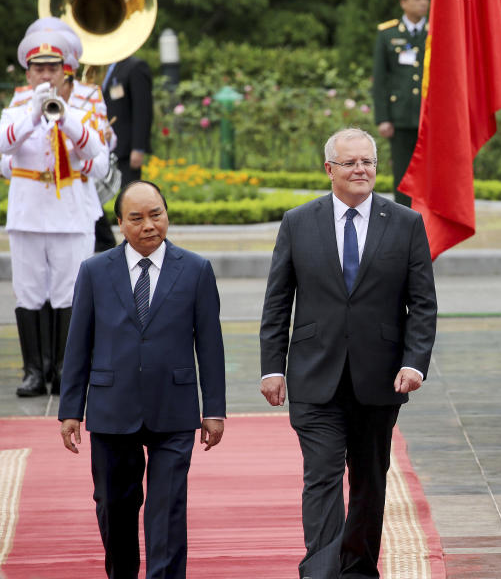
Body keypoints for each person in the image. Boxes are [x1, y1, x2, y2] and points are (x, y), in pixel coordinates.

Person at [259, 127, 437, 578]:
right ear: (329, 169)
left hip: (379, 379)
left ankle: (357, 570)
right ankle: (321, 572)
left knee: (368, 481)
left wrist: (414, 362)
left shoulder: (405, 223)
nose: (361, 170)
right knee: (321, 477)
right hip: (314, 375)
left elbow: (423, 304)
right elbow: (278, 301)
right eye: (351, 162)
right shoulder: (298, 222)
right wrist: (271, 369)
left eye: (368, 162)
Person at [58, 180, 226, 579]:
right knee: (114, 505)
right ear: (120, 224)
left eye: (157, 215)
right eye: (137, 218)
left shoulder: (197, 269)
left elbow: (210, 345)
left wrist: (214, 409)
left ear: (167, 215)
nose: (149, 225)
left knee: (167, 508)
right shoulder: (95, 270)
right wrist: (71, 410)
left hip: (174, 407)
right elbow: (78, 344)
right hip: (111, 407)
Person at [0, 28, 107, 397]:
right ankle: (34, 372)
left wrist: (64, 117)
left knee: (69, 295)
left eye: (52, 68)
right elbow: (3, 145)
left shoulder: (77, 112)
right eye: (38, 68)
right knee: (28, 293)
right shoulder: (13, 113)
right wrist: (32, 117)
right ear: (28, 74)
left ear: (64, 72)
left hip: (69, 215)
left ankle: (65, 371)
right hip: (28, 214)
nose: (45, 75)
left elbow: (94, 149)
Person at [372, 0, 429, 208]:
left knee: (431, 174)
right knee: (404, 175)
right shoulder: (388, 34)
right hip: (401, 116)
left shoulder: (438, 32)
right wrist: (383, 117)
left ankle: (429, 224)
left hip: (431, 117)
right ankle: (404, 222)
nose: (423, 2)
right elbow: (380, 78)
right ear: (403, 1)